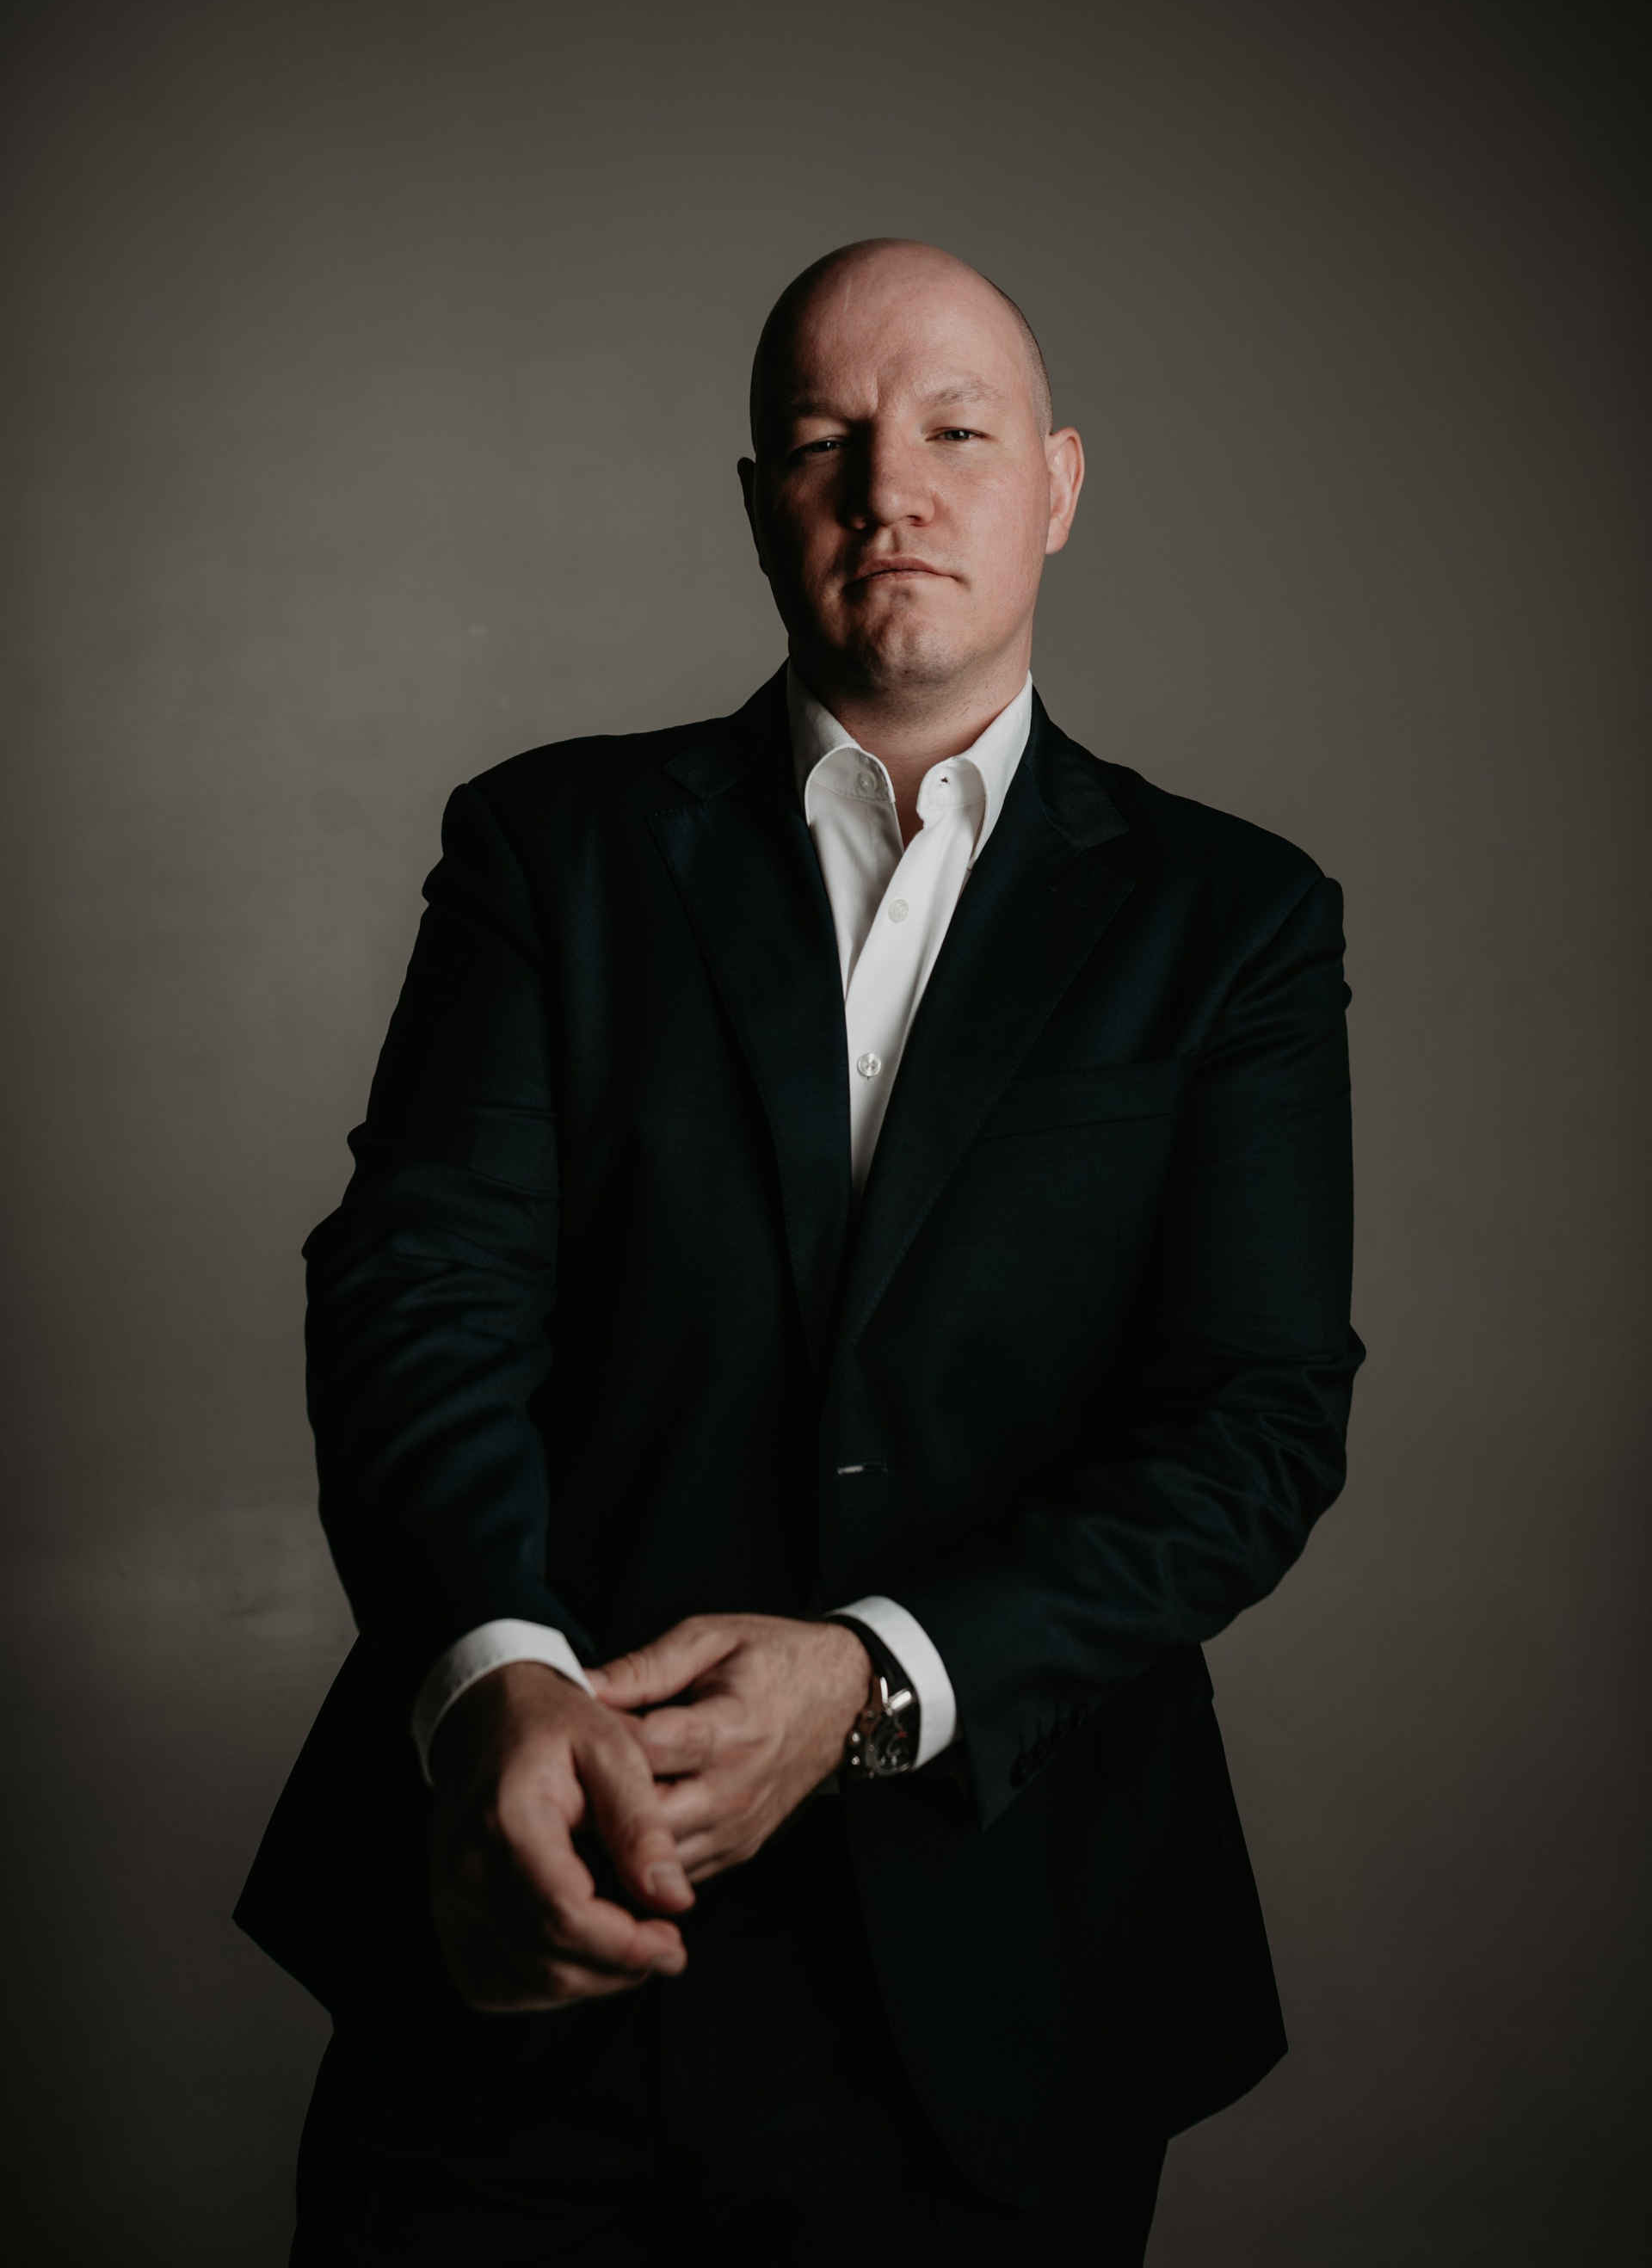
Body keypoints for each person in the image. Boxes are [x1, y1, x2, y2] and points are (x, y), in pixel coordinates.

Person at [238, 237, 1362, 2265]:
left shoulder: (1237, 921)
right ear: (759, 502)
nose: (889, 488)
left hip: (1002, 1971)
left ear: (1060, 484)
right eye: (825, 440)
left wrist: (870, 1681)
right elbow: (423, 1292)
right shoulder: (548, 850)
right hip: (528, 1942)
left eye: (956, 432)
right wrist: (493, 1680)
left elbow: (1253, 1426)